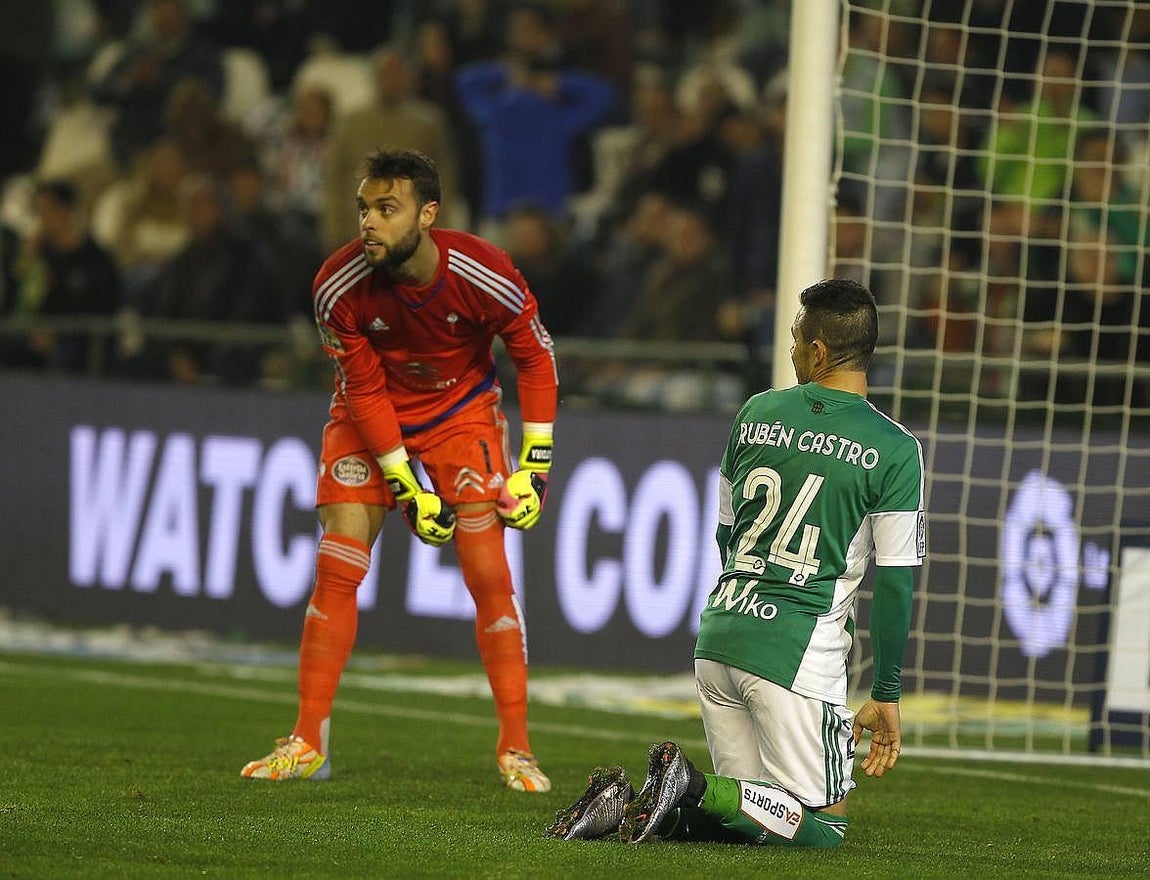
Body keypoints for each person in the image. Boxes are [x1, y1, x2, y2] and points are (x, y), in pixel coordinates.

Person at [547, 278, 926, 846]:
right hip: (796, 651)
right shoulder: (893, 449)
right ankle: (690, 786)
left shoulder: (756, 413)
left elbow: (727, 534)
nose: (792, 350)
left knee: (749, 818)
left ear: (818, 350)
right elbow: (895, 583)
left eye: (795, 339)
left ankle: (620, 806)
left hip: (720, 636)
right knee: (823, 829)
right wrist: (888, 691)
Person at [240, 148, 558, 793]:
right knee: (338, 563)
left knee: (488, 573)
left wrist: (535, 466)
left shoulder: (485, 272)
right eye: (364, 208)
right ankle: (307, 742)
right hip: (371, 415)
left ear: (428, 214)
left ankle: (517, 747)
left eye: (387, 208)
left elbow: (534, 356)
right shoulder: (337, 285)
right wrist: (407, 486)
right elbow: (362, 389)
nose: (369, 222)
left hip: (461, 413)